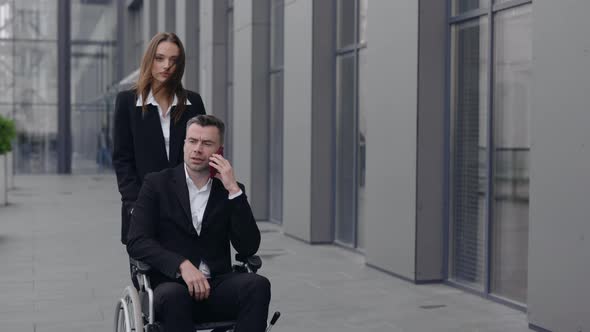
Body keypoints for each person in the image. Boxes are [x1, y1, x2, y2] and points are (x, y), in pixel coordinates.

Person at [126, 115, 271, 332]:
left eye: (206, 143)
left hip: (217, 286)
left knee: (258, 285)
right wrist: (181, 265)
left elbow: (248, 246)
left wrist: (234, 190)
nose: (197, 149)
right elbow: (137, 241)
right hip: (172, 287)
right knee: (173, 295)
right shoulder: (157, 184)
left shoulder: (229, 189)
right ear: (184, 144)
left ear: (219, 150)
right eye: (192, 141)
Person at [113, 32, 206, 245]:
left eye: (174, 60)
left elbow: (204, 151)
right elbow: (122, 159)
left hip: (187, 209)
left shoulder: (193, 102)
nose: (167, 66)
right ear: (149, 60)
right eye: (160, 58)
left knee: (188, 274)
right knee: (150, 274)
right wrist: (135, 205)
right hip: (144, 207)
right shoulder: (127, 102)